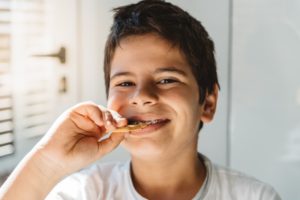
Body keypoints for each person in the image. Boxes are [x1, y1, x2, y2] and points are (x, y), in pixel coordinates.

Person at [0, 0, 281, 199]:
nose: (142, 96)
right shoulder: (85, 192)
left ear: (207, 103)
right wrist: (47, 162)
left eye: (167, 79)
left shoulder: (255, 196)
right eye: (124, 83)